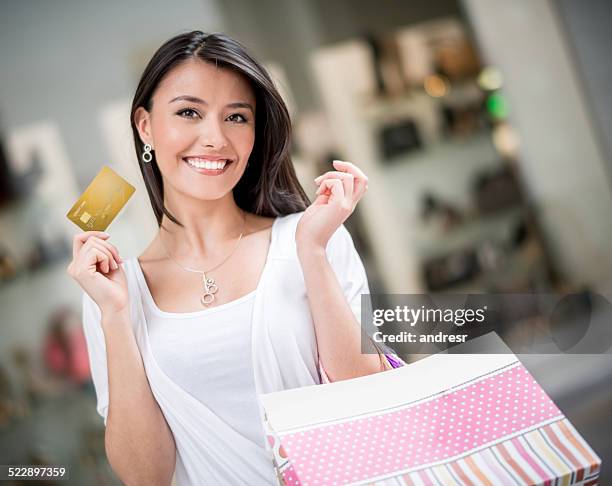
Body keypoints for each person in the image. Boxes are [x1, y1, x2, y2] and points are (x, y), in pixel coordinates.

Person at [67, 31, 398, 486]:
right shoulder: (113, 292)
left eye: (236, 117)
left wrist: (312, 254)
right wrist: (116, 315)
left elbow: (368, 396)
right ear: (144, 125)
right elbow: (145, 477)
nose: (215, 138)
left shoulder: (312, 240)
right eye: (188, 112)